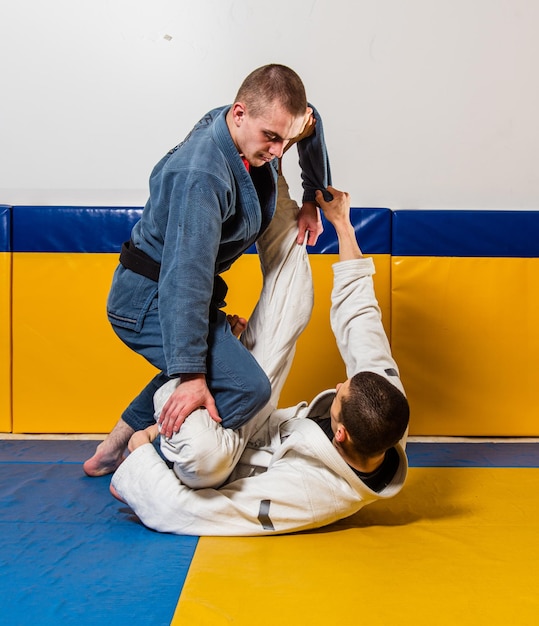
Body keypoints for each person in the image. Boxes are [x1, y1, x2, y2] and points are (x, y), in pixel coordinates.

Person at [109, 176, 410, 536]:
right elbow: (360, 316)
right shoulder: (385, 408)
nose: (338, 383)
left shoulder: (311, 495)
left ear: (340, 433)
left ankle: (192, 374)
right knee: (294, 300)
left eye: (340, 392)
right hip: (250, 412)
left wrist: (141, 453)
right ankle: (269, 175)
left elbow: (187, 512)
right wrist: (342, 224)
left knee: (203, 457)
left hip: (215, 459)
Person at [83, 64, 331, 477]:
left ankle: (113, 447)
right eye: (271, 138)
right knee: (246, 387)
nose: (277, 151)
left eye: (285, 139)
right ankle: (145, 455)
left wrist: (312, 195)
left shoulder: (263, 121)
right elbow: (186, 277)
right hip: (149, 299)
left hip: (174, 287)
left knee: (204, 366)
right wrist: (193, 375)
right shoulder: (202, 174)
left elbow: (311, 119)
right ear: (239, 113)